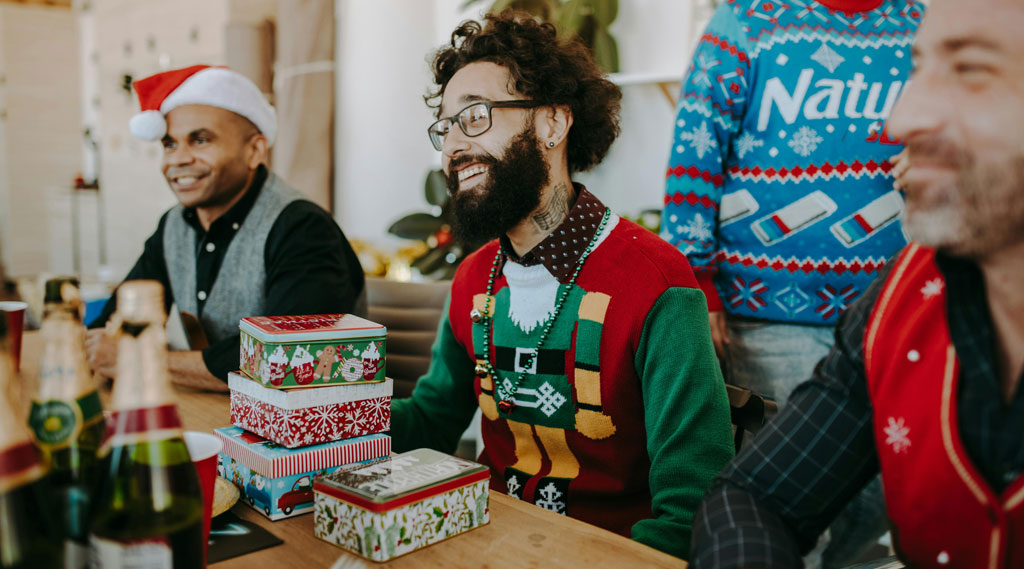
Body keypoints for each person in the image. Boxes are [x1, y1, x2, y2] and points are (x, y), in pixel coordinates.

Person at [689, 0, 1024, 566]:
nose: (899, 122)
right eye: (917, 69)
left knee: (871, 513)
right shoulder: (907, 301)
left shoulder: (914, 13)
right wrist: (699, 279)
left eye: (970, 69)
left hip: (871, 282)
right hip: (779, 310)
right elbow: (758, 495)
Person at [390, 13, 734, 559]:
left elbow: (691, 509)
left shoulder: (656, 283)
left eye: (474, 116)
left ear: (552, 123)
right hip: (484, 545)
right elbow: (431, 420)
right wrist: (322, 411)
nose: (452, 145)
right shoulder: (474, 277)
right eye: (445, 126)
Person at [85, 65, 365, 391]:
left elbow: (285, 360)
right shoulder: (174, 224)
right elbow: (112, 321)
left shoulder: (303, 228)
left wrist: (137, 359)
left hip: (312, 419)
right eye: (169, 144)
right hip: (217, 410)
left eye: (200, 140)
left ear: (254, 151)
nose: (178, 159)